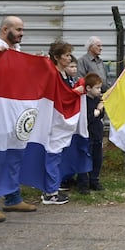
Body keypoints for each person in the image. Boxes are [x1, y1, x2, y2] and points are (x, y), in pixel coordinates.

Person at [0, 16, 38, 223]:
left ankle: (13, 197)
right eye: (18, 29)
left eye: (22, 29)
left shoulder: (17, 53)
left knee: (14, 156)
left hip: (15, 115)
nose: (22, 33)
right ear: (5, 29)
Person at [44, 39, 81, 205]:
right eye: (66, 55)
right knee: (52, 154)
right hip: (53, 121)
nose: (69, 58)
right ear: (58, 57)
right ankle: (50, 192)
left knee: (56, 155)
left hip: (59, 120)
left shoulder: (62, 73)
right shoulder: (53, 74)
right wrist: (76, 93)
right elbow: (60, 96)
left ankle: (53, 187)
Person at [76, 73, 105, 194]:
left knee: (97, 159)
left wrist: (101, 109)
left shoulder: (98, 99)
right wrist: (97, 111)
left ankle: (94, 180)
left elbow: (101, 115)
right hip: (87, 134)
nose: (99, 91)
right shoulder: (83, 101)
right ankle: (83, 183)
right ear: (88, 88)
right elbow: (87, 118)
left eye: (100, 88)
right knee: (85, 158)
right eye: (97, 88)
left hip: (97, 133)